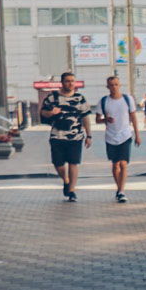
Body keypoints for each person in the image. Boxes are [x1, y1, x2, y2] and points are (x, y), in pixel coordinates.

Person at [40, 73, 92, 202]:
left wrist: (89, 135)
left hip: (75, 137)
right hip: (57, 136)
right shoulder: (53, 98)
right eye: (68, 81)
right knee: (58, 164)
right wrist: (51, 112)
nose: (70, 83)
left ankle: (72, 190)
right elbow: (43, 113)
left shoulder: (80, 98)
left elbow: (86, 117)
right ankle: (66, 180)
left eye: (72, 81)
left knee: (73, 163)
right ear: (62, 83)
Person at [94, 76, 141, 203]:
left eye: (116, 84)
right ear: (107, 87)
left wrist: (137, 134)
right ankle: (118, 188)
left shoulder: (127, 99)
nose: (114, 87)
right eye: (111, 85)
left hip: (125, 135)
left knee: (123, 163)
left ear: (119, 85)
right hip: (110, 136)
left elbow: (133, 117)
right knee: (115, 164)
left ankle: (121, 191)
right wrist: (105, 120)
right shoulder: (104, 101)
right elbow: (97, 120)